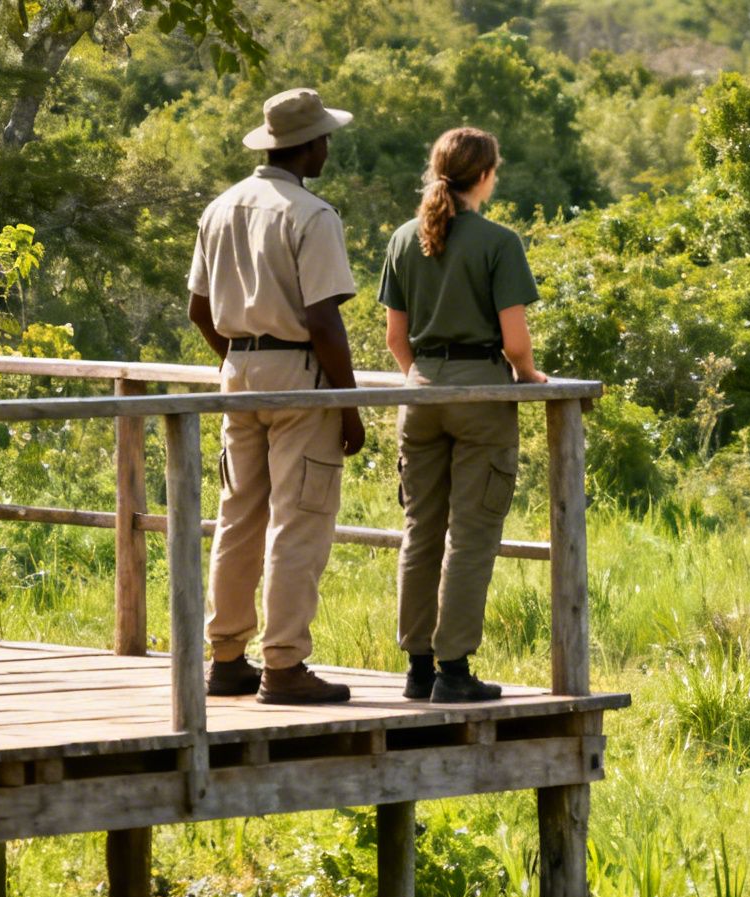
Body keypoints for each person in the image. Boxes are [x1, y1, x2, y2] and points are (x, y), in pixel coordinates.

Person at [188, 88, 365, 706]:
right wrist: (349, 405)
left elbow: (198, 309)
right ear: (307, 145)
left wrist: (242, 359)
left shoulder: (221, 208)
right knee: (299, 520)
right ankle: (284, 664)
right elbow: (323, 321)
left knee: (238, 516)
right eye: (323, 139)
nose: (328, 148)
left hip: (238, 372)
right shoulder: (311, 215)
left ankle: (226, 656)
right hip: (299, 376)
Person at [378, 127, 545, 704]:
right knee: (471, 535)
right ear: (485, 176)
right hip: (480, 394)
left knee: (420, 530)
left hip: (420, 391)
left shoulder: (404, 239)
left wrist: (422, 378)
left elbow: (396, 337)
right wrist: (526, 376)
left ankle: (418, 667)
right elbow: (516, 341)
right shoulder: (499, 242)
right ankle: (454, 670)